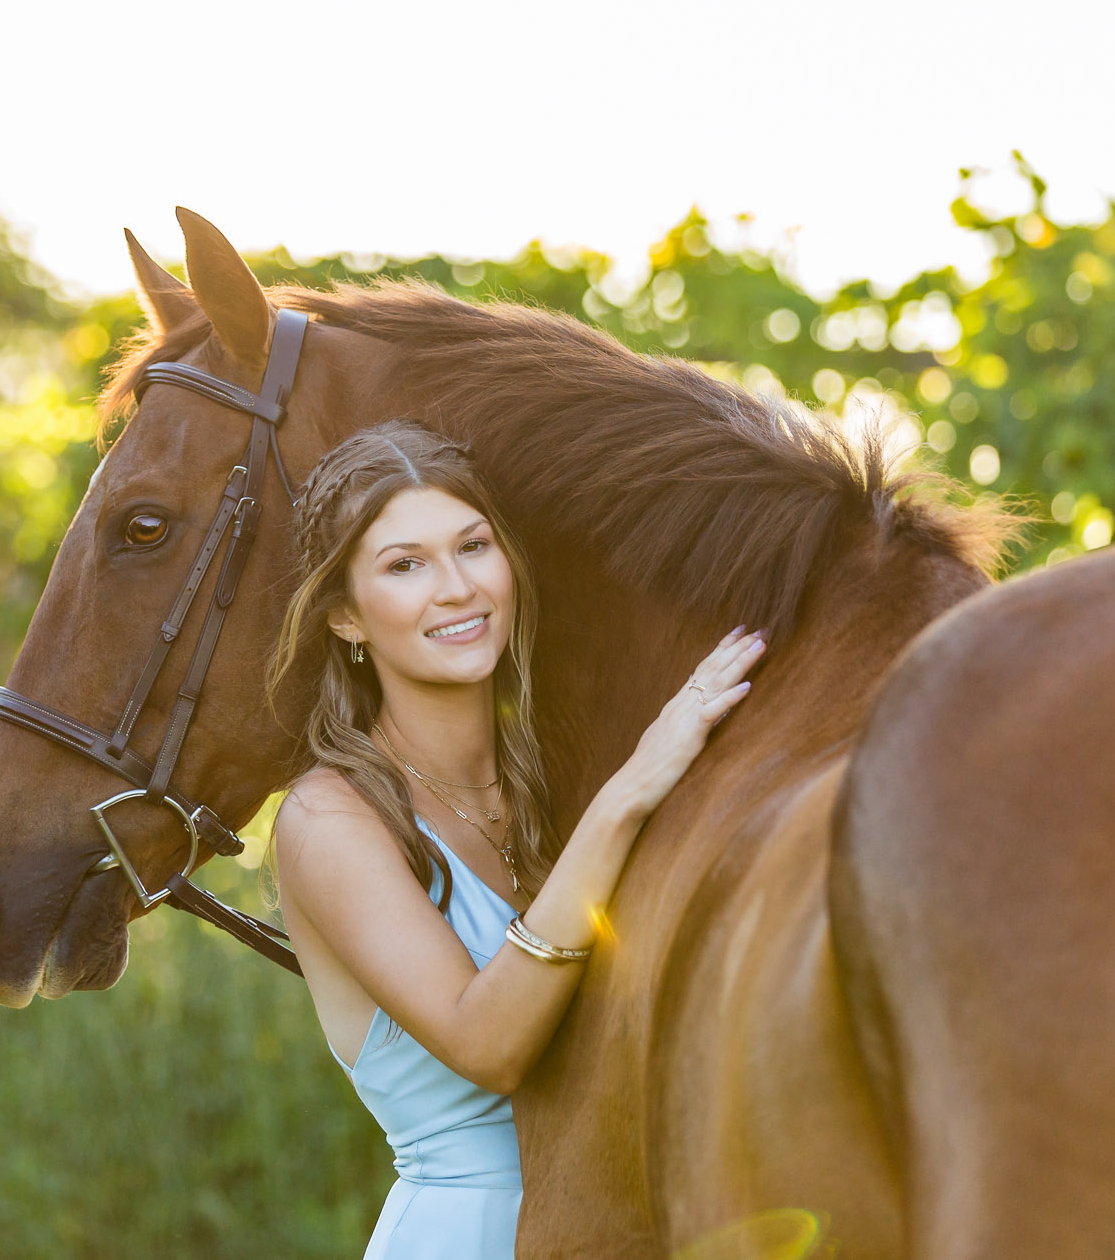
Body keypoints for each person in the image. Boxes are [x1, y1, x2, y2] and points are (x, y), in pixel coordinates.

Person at [265, 420, 767, 1258]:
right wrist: (630, 795)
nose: (456, 587)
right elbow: (486, 1044)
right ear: (347, 617)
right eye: (404, 564)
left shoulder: (550, 781)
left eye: (473, 546)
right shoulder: (329, 820)